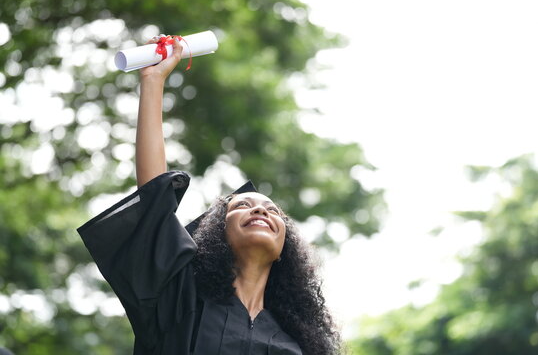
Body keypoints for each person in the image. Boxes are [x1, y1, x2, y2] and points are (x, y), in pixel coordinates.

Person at [78, 36, 342, 355]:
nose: (260, 211)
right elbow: (154, 201)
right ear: (218, 236)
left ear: (285, 251)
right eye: (242, 205)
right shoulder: (180, 301)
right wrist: (152, 81)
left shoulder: (300, 341)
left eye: (273, 212)